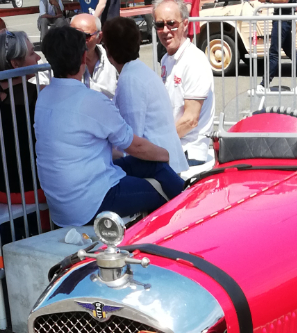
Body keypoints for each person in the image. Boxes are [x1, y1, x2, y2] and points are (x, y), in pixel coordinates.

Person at [34, 26, 183, 226]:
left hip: (63, 204)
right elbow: (135, 146)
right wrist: (167, 154)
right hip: (91, 201)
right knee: (163, 190)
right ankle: (189, 215)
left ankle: (188, 200)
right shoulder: (90, 100)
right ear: (83, 57)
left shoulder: (43, 97)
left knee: (154, 166)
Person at [102, 17, 187, 173]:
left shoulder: (130, 79)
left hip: (157, 169)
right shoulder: (138, 71)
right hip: (163, 162)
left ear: (108, 51)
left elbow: (132, 139)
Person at [153, 0, 215, 167]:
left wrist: (156, 141)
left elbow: (190, 120)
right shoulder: (166, 59)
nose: (166, 30)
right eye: (159, 25)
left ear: (185, 24)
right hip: (175, 145)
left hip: (189, 150)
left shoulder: (194, 61)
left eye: (171, 24)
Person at [0, 31, 42, 203]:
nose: (38, 57)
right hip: (33, 187)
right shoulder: (37, 94)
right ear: (15, 63)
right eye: (32, 53)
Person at [257, 0, 297, 94]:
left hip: (283, 20)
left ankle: (264, 85)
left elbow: (285, 0)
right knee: (290, 51)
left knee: (274, 53)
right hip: (283, 19)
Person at [71, 13, 118, 99]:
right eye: (73, 35)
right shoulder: (59, 61)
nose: (78, 40)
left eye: (85, 36)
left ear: (99, 37)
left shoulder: (114, 58)